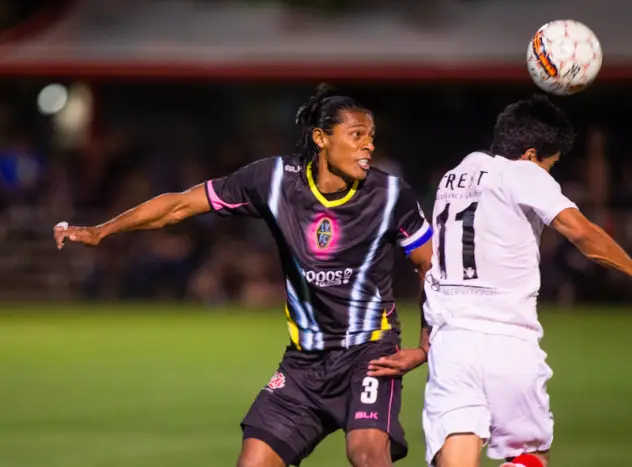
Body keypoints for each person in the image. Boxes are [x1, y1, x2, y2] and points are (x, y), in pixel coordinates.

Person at [53, 84, 434, 467]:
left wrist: (424, 348)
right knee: (253, 462)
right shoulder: (273, 181)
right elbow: (180, 206)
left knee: (367, 455)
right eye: (356, 136)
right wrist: (102, 231)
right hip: (304, 362)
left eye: (371, 137)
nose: (368, 146)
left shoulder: (390, 195)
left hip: (368, 354)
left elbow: (429, 265)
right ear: (321, 138)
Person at [367, 95, 632, 467]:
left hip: (452, 344)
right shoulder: (523, 172)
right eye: (549, 165)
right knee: (531, 455)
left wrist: (425, 345)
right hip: (508, 340)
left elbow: (431, 267)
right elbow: (584, 235)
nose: (549, 175)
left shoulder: (455, 176)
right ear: (529, 154)